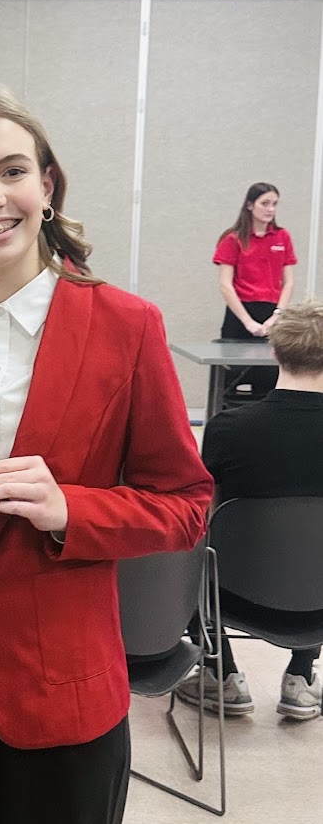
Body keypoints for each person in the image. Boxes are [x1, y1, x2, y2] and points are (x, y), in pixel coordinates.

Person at [0, 85, 213, 824]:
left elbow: (183, 504)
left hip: (63, 687)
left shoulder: (127, 326)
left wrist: (69, 509)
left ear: (46, 186)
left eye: (11, 171)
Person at [177, 299, 323, 721]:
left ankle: (222, 675)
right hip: (319, 601)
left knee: (191, 550)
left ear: (274, 351)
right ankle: (300, 677)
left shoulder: (228, 428)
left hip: (231, 597)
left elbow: (199, 514)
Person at [213, 182, 296, 400]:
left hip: (271, 315)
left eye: (275, 204)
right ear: (250, 205)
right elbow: (225, 284)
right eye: (265, 203)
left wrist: (276, 316)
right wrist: (248, 322)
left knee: (268, 382)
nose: (270, 209)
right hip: (240, 315)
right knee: (231, 384)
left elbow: (288, 282)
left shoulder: (282, 237)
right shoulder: (233, 239)